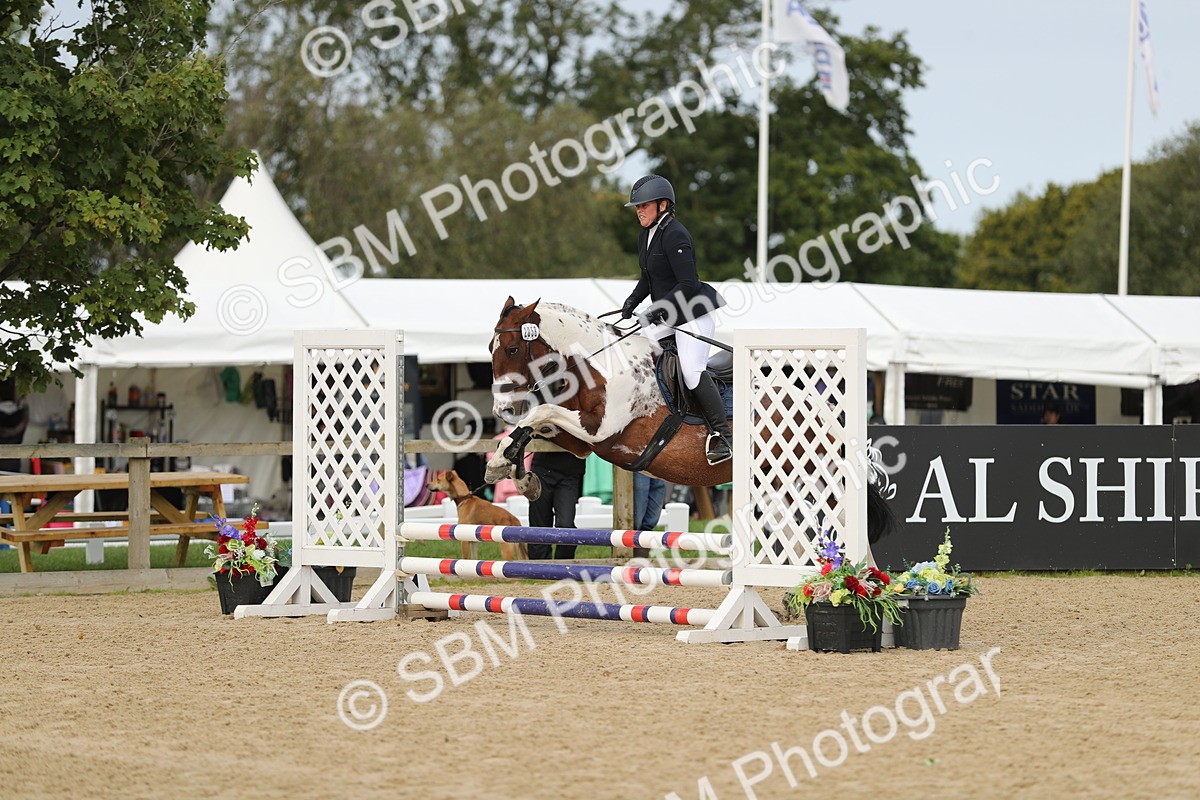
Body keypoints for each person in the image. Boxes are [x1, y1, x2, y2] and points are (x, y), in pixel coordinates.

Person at [620, 175, 731, 464]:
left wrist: (658, 309)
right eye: (637, 207)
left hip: (693, 313)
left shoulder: (676, 234)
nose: (638, 211)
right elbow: (648, 277)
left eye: (643, 206)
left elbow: (687, 283)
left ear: (663, 205)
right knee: (639, 358)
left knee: (692, 371)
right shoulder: (646, 234)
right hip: (670, 314)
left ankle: (723, 436)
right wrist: (633, 301)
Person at [527, 449, 587, 560]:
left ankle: (564, 567)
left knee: (566, 525)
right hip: (542, 469)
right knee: (539, 524)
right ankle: (538, 569)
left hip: (570, 472)